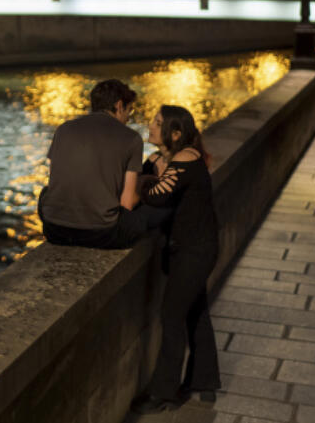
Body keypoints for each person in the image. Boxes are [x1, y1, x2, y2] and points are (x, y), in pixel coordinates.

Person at [131, 105, 220, 414]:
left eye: (157, 123)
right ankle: (205, 381)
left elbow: (154, 195)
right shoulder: (160, 159)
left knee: (172, 315)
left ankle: (165, 392)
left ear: (176, 133)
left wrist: (144, 183)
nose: (151, 126)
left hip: (196, 250)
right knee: (195, 311)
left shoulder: (186, 159)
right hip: (184, 247)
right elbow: (142, 182)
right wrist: (146, 179)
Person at [38, 78, 157, 249]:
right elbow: (127, 203)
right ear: (119, 105)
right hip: (100, 234)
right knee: (149, 214)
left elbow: (56, 182)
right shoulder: (131, 138)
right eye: (129, 111)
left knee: (45, 193)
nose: (128, 119)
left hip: (54, 230)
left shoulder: (64, 129)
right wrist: (144, 185)